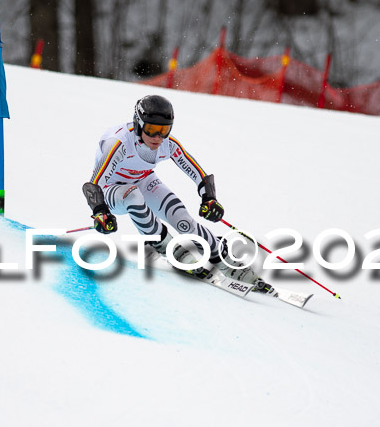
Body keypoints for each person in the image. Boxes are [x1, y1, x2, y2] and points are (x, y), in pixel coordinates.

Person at [81, 94, 267, 289]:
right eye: (152, 129)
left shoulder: (168, 144)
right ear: (138, 124)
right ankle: (161, 244)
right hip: (111, 190)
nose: (157, 137)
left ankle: (223, 257)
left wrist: (209, 199)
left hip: (143, 179)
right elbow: (93, 186)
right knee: (133, 195)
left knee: (183, 220)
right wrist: (100, 212)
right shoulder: (118, 143)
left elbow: (199, 174)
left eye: (164, 130)